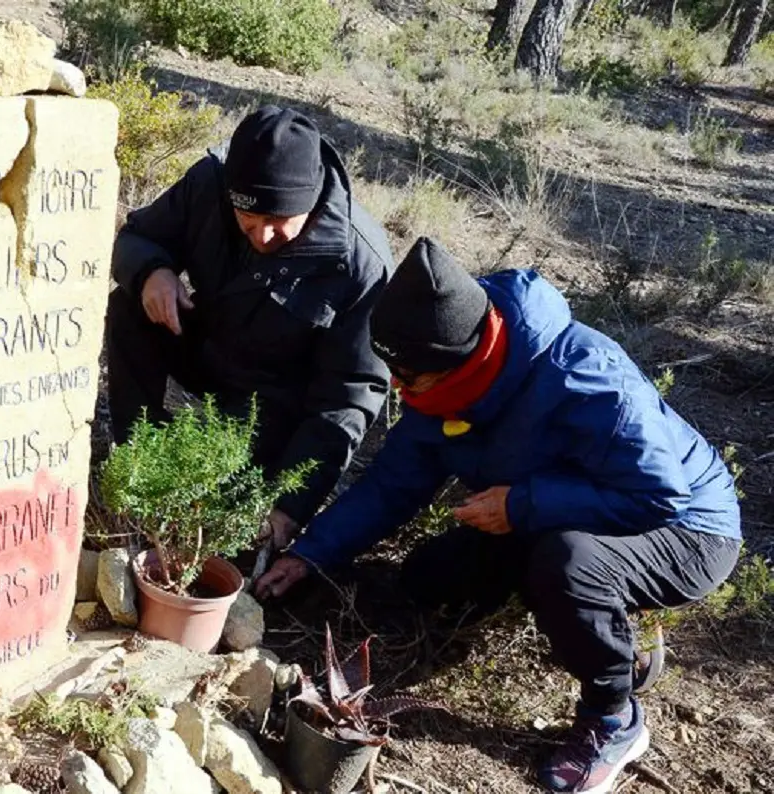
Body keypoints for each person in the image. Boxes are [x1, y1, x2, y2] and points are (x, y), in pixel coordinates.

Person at [255, 237, 742, 794]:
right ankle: (598, 621)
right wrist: (312, 554)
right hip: (564, 507)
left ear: (462, 360)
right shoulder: (439, 377)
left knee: (569, 565)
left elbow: (658, 495)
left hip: (687, 529)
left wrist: (521, 504)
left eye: (407, 375)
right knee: (427, 580)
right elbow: (393, 484)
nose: (397, 387)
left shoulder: (586, 379)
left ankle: (614, 716)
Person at [107, 105, 396, 535]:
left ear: (311, 203)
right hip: (207, 342)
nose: (261, 236)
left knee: (208, 503)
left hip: (271, 401)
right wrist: (153, 270)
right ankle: (134, 457)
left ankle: (194, 472)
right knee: (129, 305)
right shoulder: (210, 183)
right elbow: (138, 236)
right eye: (247, 219)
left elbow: (347, 397)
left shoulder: (359, 263)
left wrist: (290, 506)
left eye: (278, 222)